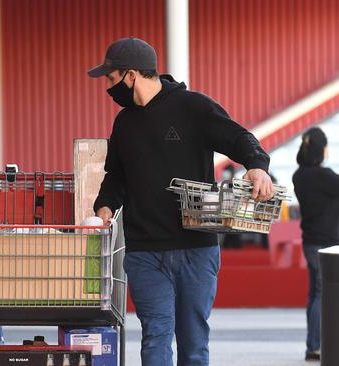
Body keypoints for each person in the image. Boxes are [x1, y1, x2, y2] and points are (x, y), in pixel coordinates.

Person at [88, 37, 273, 365]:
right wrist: (104, 207)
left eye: (112, 78)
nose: (109, 87)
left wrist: (257, 166)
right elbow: (115, 175)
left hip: (196, 248)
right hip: (145, 252)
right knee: (156, 334)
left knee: (193, 341)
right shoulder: (124, 123)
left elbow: (238, 136)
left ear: (131, 75)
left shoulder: (193, 107)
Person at [293, 127, 339, 362]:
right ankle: (320, 345)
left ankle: (314, 345)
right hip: (329, 244)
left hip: (310, 242)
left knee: (316, 294)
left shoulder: (299, 175)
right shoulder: (325, 176)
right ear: (321, 149)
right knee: (325, 295)